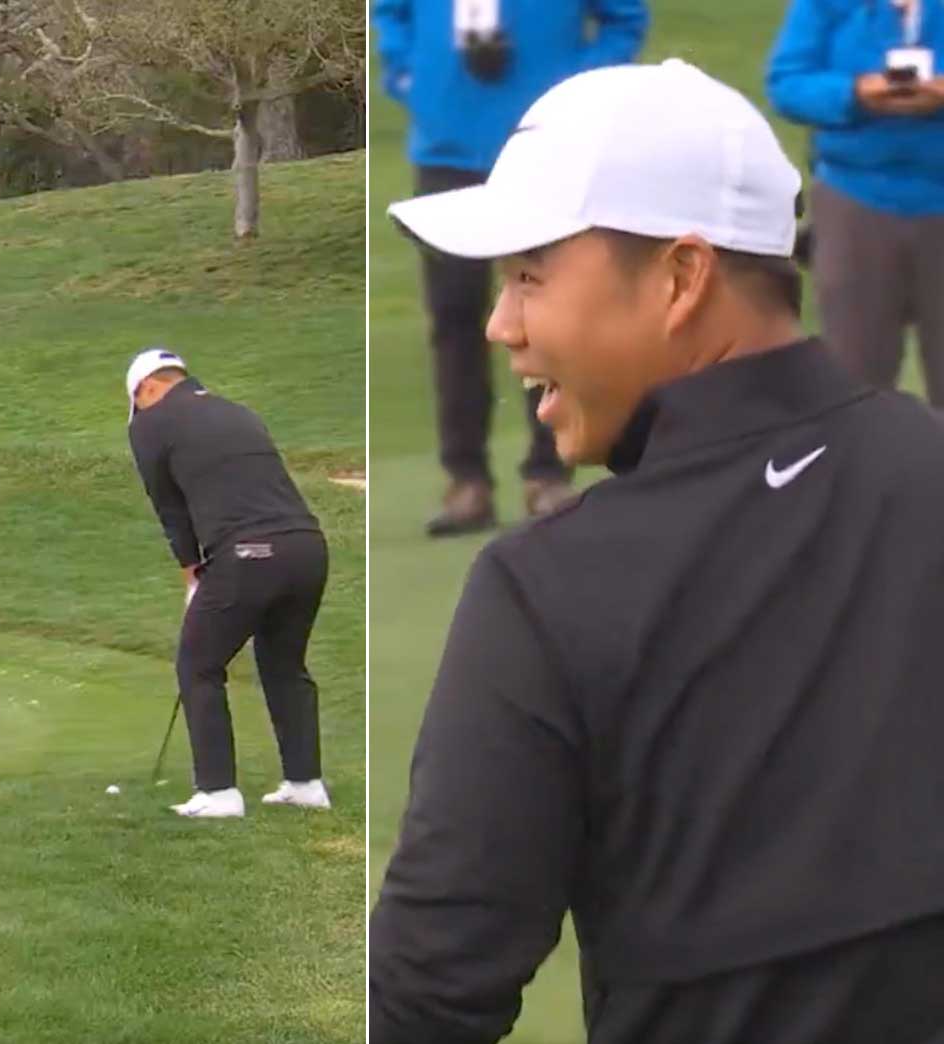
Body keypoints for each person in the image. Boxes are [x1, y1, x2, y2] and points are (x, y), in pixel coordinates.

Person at [372, 61, 944, 1043]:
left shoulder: (545, 588)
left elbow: (426, 995)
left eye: (528, 276)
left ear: (680, 278)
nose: (501, 324)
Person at [373, 0, 648, 535]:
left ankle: (549, 474)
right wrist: (412, 79)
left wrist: (579, 85)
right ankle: (466, 481)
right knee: (454, 316)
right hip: (447, 144)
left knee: (549, 305)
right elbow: (390, 13)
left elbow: (624, 19)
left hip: (545, 142)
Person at [126, 349, 330, 819]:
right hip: (307, 547)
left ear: (148, 389)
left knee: (198, 664)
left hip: (249, 553)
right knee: (283, 664)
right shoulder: (237, 410)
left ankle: (218, 792)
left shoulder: (148, 425)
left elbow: (171, 509)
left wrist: (190, 575)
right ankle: (305, 784)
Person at [768, 0, 944, 400]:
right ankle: (864, 463)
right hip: (856, 203)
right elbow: (787, 83)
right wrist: (855, 93)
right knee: (855, 378)